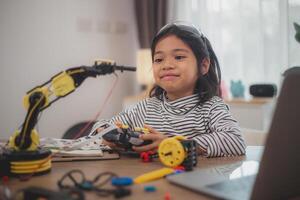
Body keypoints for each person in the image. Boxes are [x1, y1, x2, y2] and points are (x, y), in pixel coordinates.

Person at [102, 22, 246, 157]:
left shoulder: (211, 108)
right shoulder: (145, 108)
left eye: (178, 57)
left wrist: (175, 145)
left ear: (203, 66)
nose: (167, 65)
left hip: (193, 180)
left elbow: (235, 140)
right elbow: (102, 127)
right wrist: (111, 136)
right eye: (159, 59)